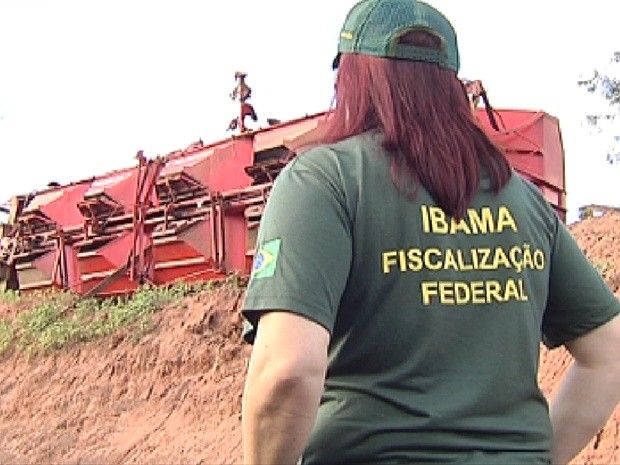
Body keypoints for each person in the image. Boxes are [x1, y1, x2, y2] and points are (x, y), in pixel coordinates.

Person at [240, 1, 620, 464]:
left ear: (352, 78)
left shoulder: (324, 181)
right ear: (452, 86)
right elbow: (610, 351)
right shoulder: (523, 200)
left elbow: (287, 371)